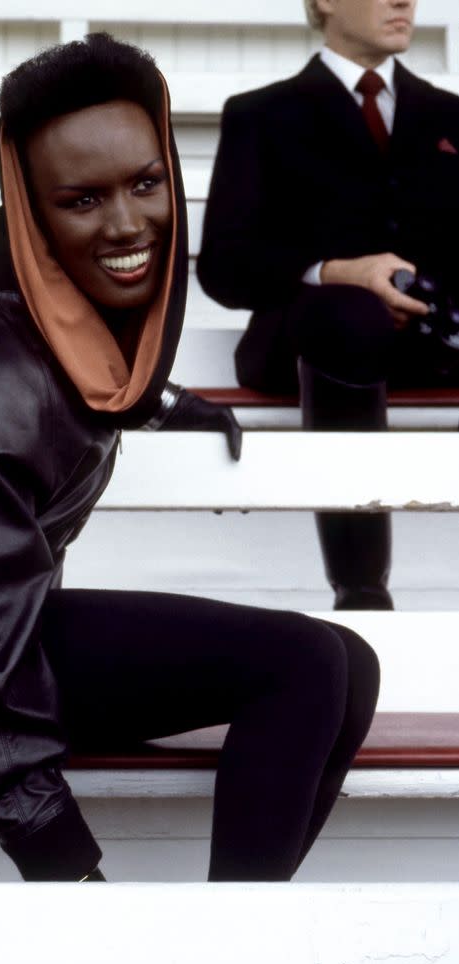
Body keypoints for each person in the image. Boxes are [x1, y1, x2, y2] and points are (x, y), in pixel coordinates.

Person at [0, 34, 379, 964]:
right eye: (81, 201)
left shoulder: (69, 317)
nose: (128, 224)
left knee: (350, 665)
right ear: (30, 213)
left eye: (146, 183)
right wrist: (74, 885)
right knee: (303, 666)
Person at [197, 0, 459, 612]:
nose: (404, 2)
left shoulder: (451, 116)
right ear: (323, 2)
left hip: (432, 340)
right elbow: (224, 266)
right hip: (308, 339)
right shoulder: (261, 114)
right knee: (348, 316)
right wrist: (342, 273)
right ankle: (362, 591)